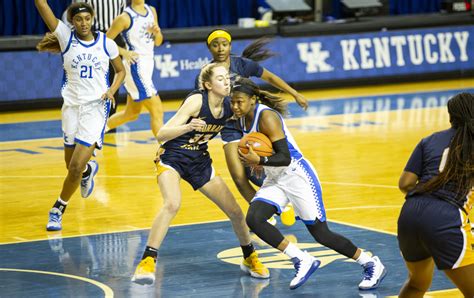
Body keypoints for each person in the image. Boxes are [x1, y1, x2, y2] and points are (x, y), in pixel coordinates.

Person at [231, 77, 386, 290]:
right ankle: (301, 259)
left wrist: (260, 160)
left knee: (321, 233)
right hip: (275, 177)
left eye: (239, 101)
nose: (235, 106)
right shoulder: (241, 119)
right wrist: (257, 162)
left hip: (296, 175)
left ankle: (370, 262)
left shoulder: (267, 117)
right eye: (233, 102)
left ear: (253, 100)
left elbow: (284, 157)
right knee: (254, 218)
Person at [131, 63, 269, 285]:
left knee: (234, 211)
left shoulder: (229, 106)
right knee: (172, 204)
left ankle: (250, 257)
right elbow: (162, 134)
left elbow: (251, 115)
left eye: (228, 78)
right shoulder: (196, 101)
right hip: (173, 157)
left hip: (199, 162)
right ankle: (147, 261)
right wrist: (187, 127)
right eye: (221, 79)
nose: (227, 82)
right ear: (207, 85)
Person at [35, 0, 125, 231]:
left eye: (87, 19)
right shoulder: (66, 38)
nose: (84, 23)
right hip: (71, 108)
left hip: (95, 109)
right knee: (71, 166)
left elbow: (121, 70)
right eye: (78, 19)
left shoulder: (106, 43)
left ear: (92, 19)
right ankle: (88, 170)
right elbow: (41, 5)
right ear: (71, 22)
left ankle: (57, 209)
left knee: (74, 167)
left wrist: (112, 90)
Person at [203, 29, 309, 225]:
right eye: (215, 45)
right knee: (238, 176)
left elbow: (270, 78)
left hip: (251, 121)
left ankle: (284, 197)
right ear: (209, 48)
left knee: (262, 167)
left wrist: (295, 93)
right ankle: (263, 216)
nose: (220, 49)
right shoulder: (207, 74)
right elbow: (205, 103)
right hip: (230, 127)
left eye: (224, 44)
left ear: (230, 46)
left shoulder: (242, 65)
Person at [397, 93, 474, 297]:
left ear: (450, 117)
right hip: (445, 216)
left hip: (410, 214)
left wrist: (430, 193)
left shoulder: (429, 140)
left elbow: (405, 183)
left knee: (416, 284)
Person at [62, 0, 128, 126]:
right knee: (90, 79)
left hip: (113, 38)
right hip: (92, 36)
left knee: (113, 81)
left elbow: (123, 17)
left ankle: (108, 123)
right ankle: (83, 118)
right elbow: (72, 14)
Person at [105, 0, 164, 138]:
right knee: (157, 110)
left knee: (131, 114)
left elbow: (158, 41)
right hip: (135, 67)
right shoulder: (125, 17)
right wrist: (124, 52)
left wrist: (157, 33)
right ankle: (166, 151)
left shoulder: (151, 10)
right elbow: (105, 41)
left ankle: (97, 131)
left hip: (147, 64)